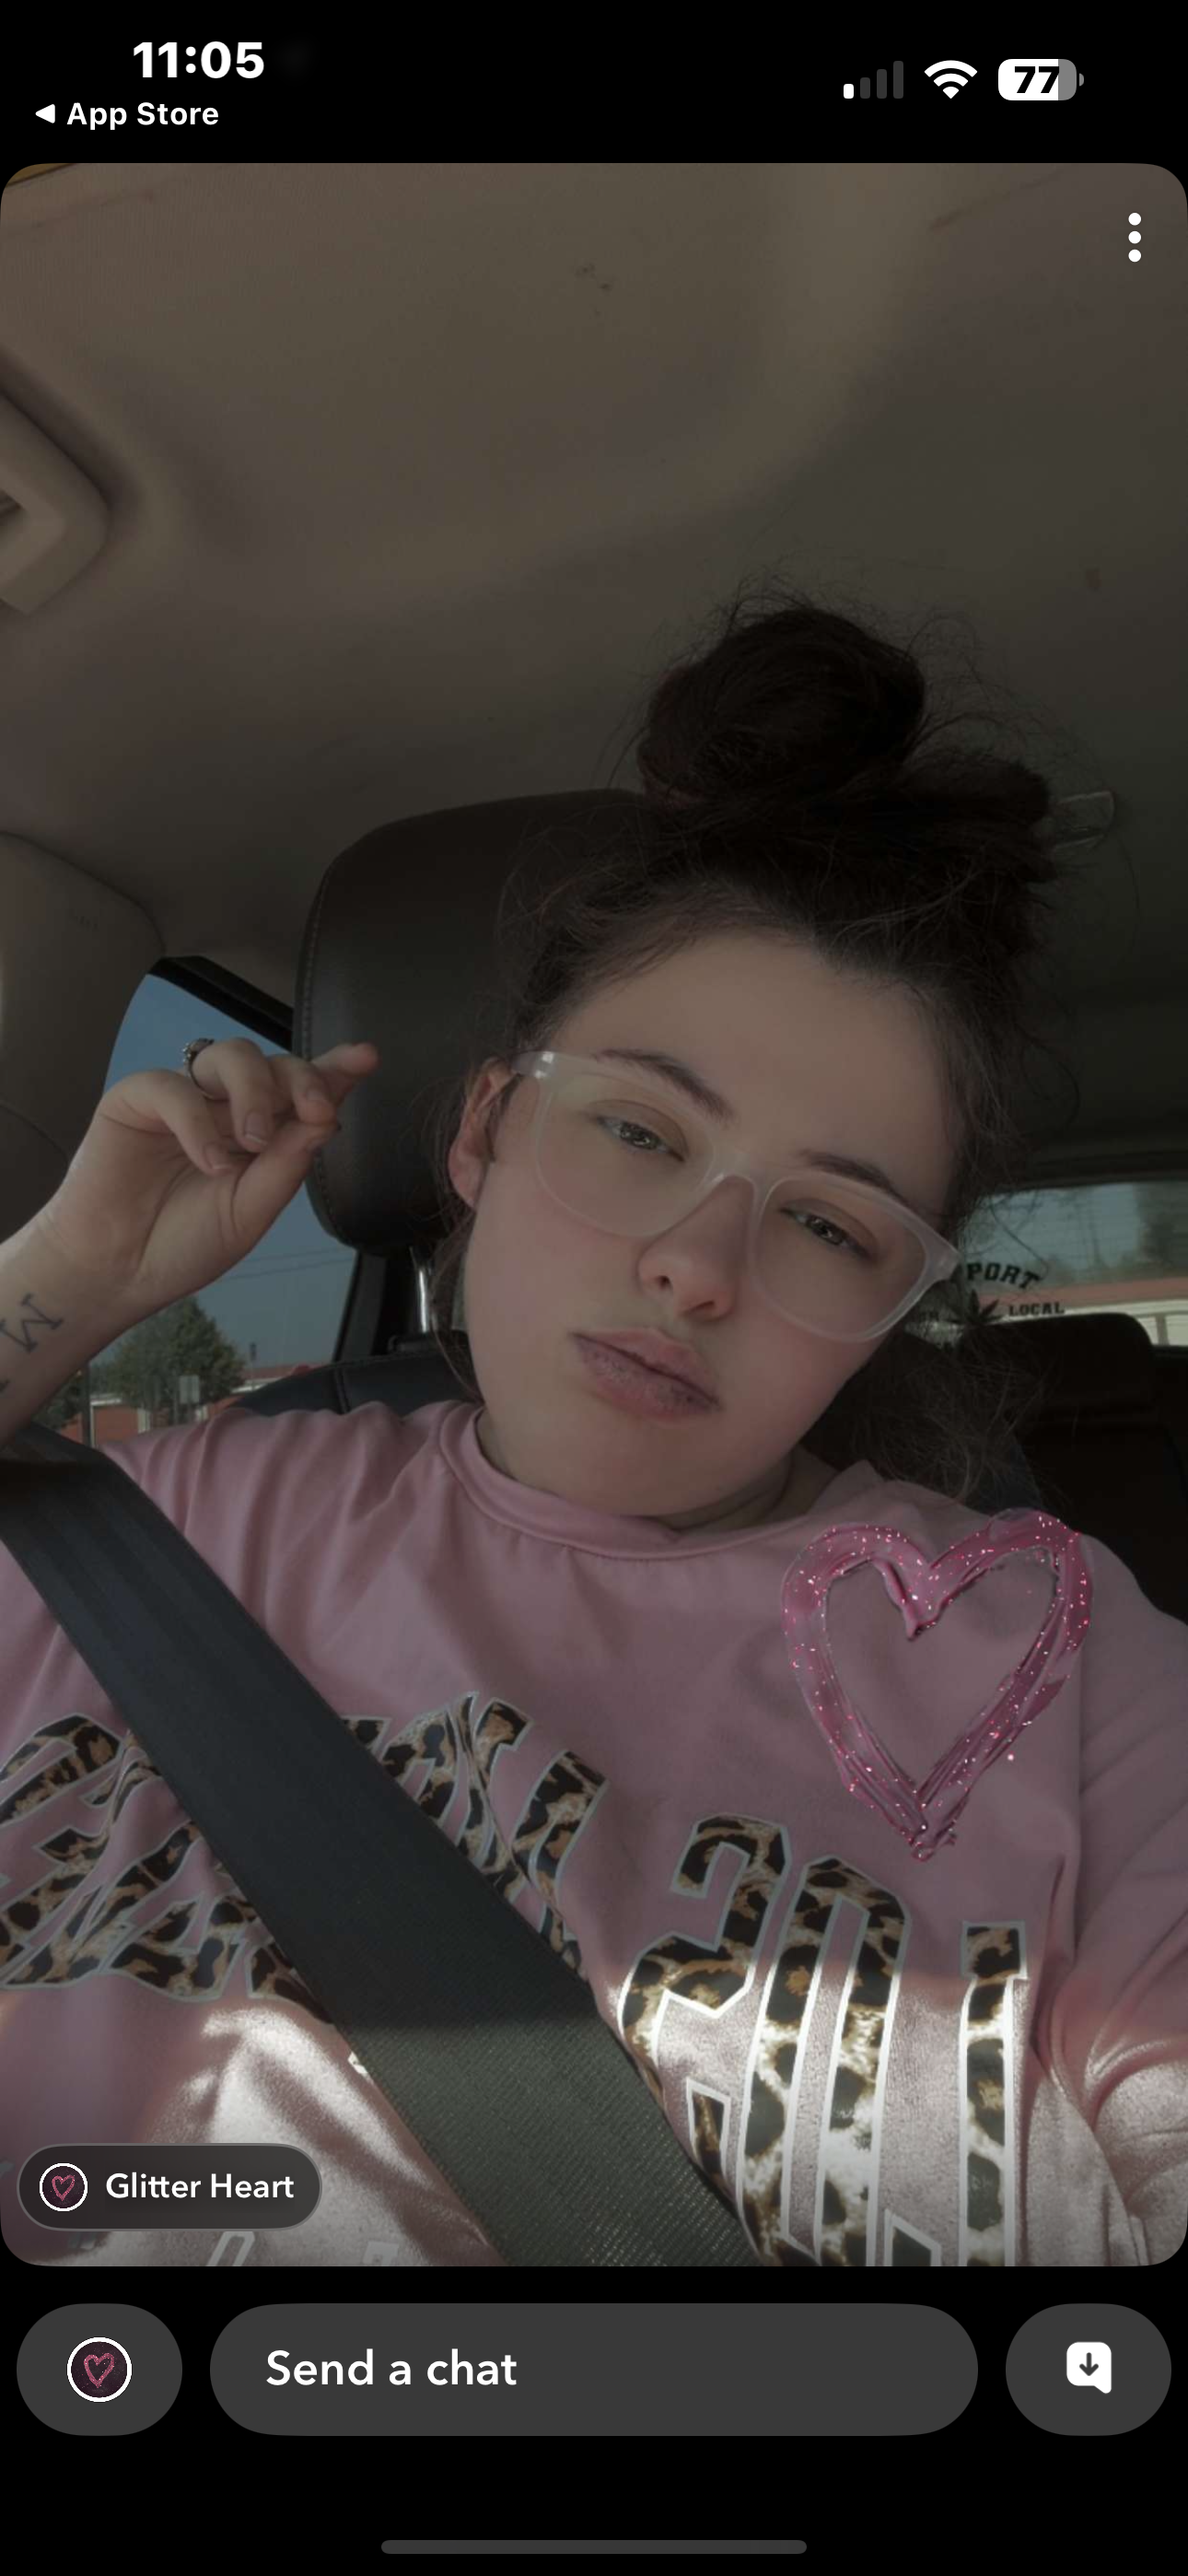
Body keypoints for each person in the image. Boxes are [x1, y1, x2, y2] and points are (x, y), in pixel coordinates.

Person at [2, 585, 1185, 2271]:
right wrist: (67, 1281)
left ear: (893, 1300)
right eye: (637, 1130)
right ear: (482, 1131)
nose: (696, 1267)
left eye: (828, 1224)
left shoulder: (1059, 1662)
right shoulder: (170, 1521)